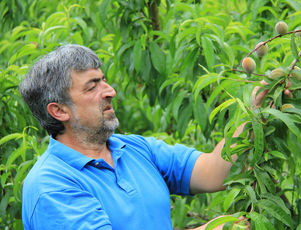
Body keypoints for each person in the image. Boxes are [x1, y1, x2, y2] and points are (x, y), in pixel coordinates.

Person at [20, 44, 258, 230]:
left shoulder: (134, 148)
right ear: (59, 111)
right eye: (92, 87)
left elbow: (213, 172)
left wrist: (256, 107)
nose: (110, 91)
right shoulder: (51, 186)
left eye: (103, 80)